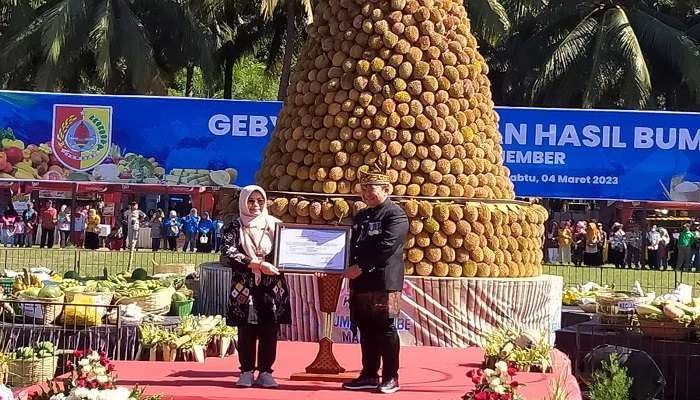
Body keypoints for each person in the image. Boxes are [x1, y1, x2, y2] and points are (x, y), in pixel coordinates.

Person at [342, 157, 409, 394]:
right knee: (365, 328)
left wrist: (362, 267)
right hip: (361, 283)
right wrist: (333, 265)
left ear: (386, 190)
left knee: (386, 328)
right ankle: (369, 373)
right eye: (364, 189)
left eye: (371, 189)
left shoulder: (395, 214)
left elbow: (387, 246)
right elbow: (350, 246)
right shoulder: (361, 216)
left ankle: (391, 376)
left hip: (384, 282)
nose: (367, 194)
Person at [221, 185, 290, 389]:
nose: (255, 205)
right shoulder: (233, 226)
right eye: (251, 201)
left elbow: (290, 251)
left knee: (270, 329)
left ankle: (266, 371)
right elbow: (228, 252)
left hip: (272, 287)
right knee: (247, 329)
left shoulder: (277, 226)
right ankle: (246, 371)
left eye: (260, 201)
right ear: (243, 202)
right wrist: (257, 264)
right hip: (245, 286)